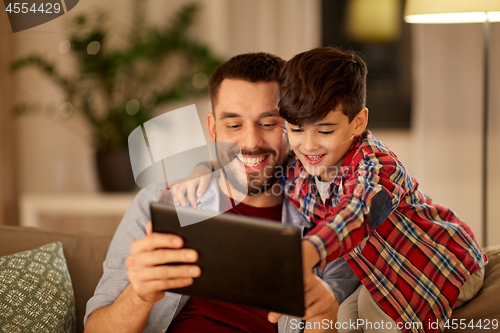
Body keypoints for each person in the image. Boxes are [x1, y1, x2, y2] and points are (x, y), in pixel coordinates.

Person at [174, 47, 488, 333]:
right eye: (296, 130)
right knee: (342, 319)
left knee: (378, 319)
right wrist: (205, 168)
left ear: (358, 121)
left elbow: (353, 215)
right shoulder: (303, 164)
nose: (308, 145)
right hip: (378, 275)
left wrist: (305, 252)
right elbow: (258, 163)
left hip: (439, 267)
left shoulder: (376, 168)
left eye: (325, 130)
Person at [84, 52, 360, 333]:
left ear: (292, 124)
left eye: (268, 123)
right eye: (234, 125)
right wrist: (139, 295)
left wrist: (322, 319)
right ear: (213, 128)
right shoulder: (157, 204)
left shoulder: (332, 227)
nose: (251, 142)